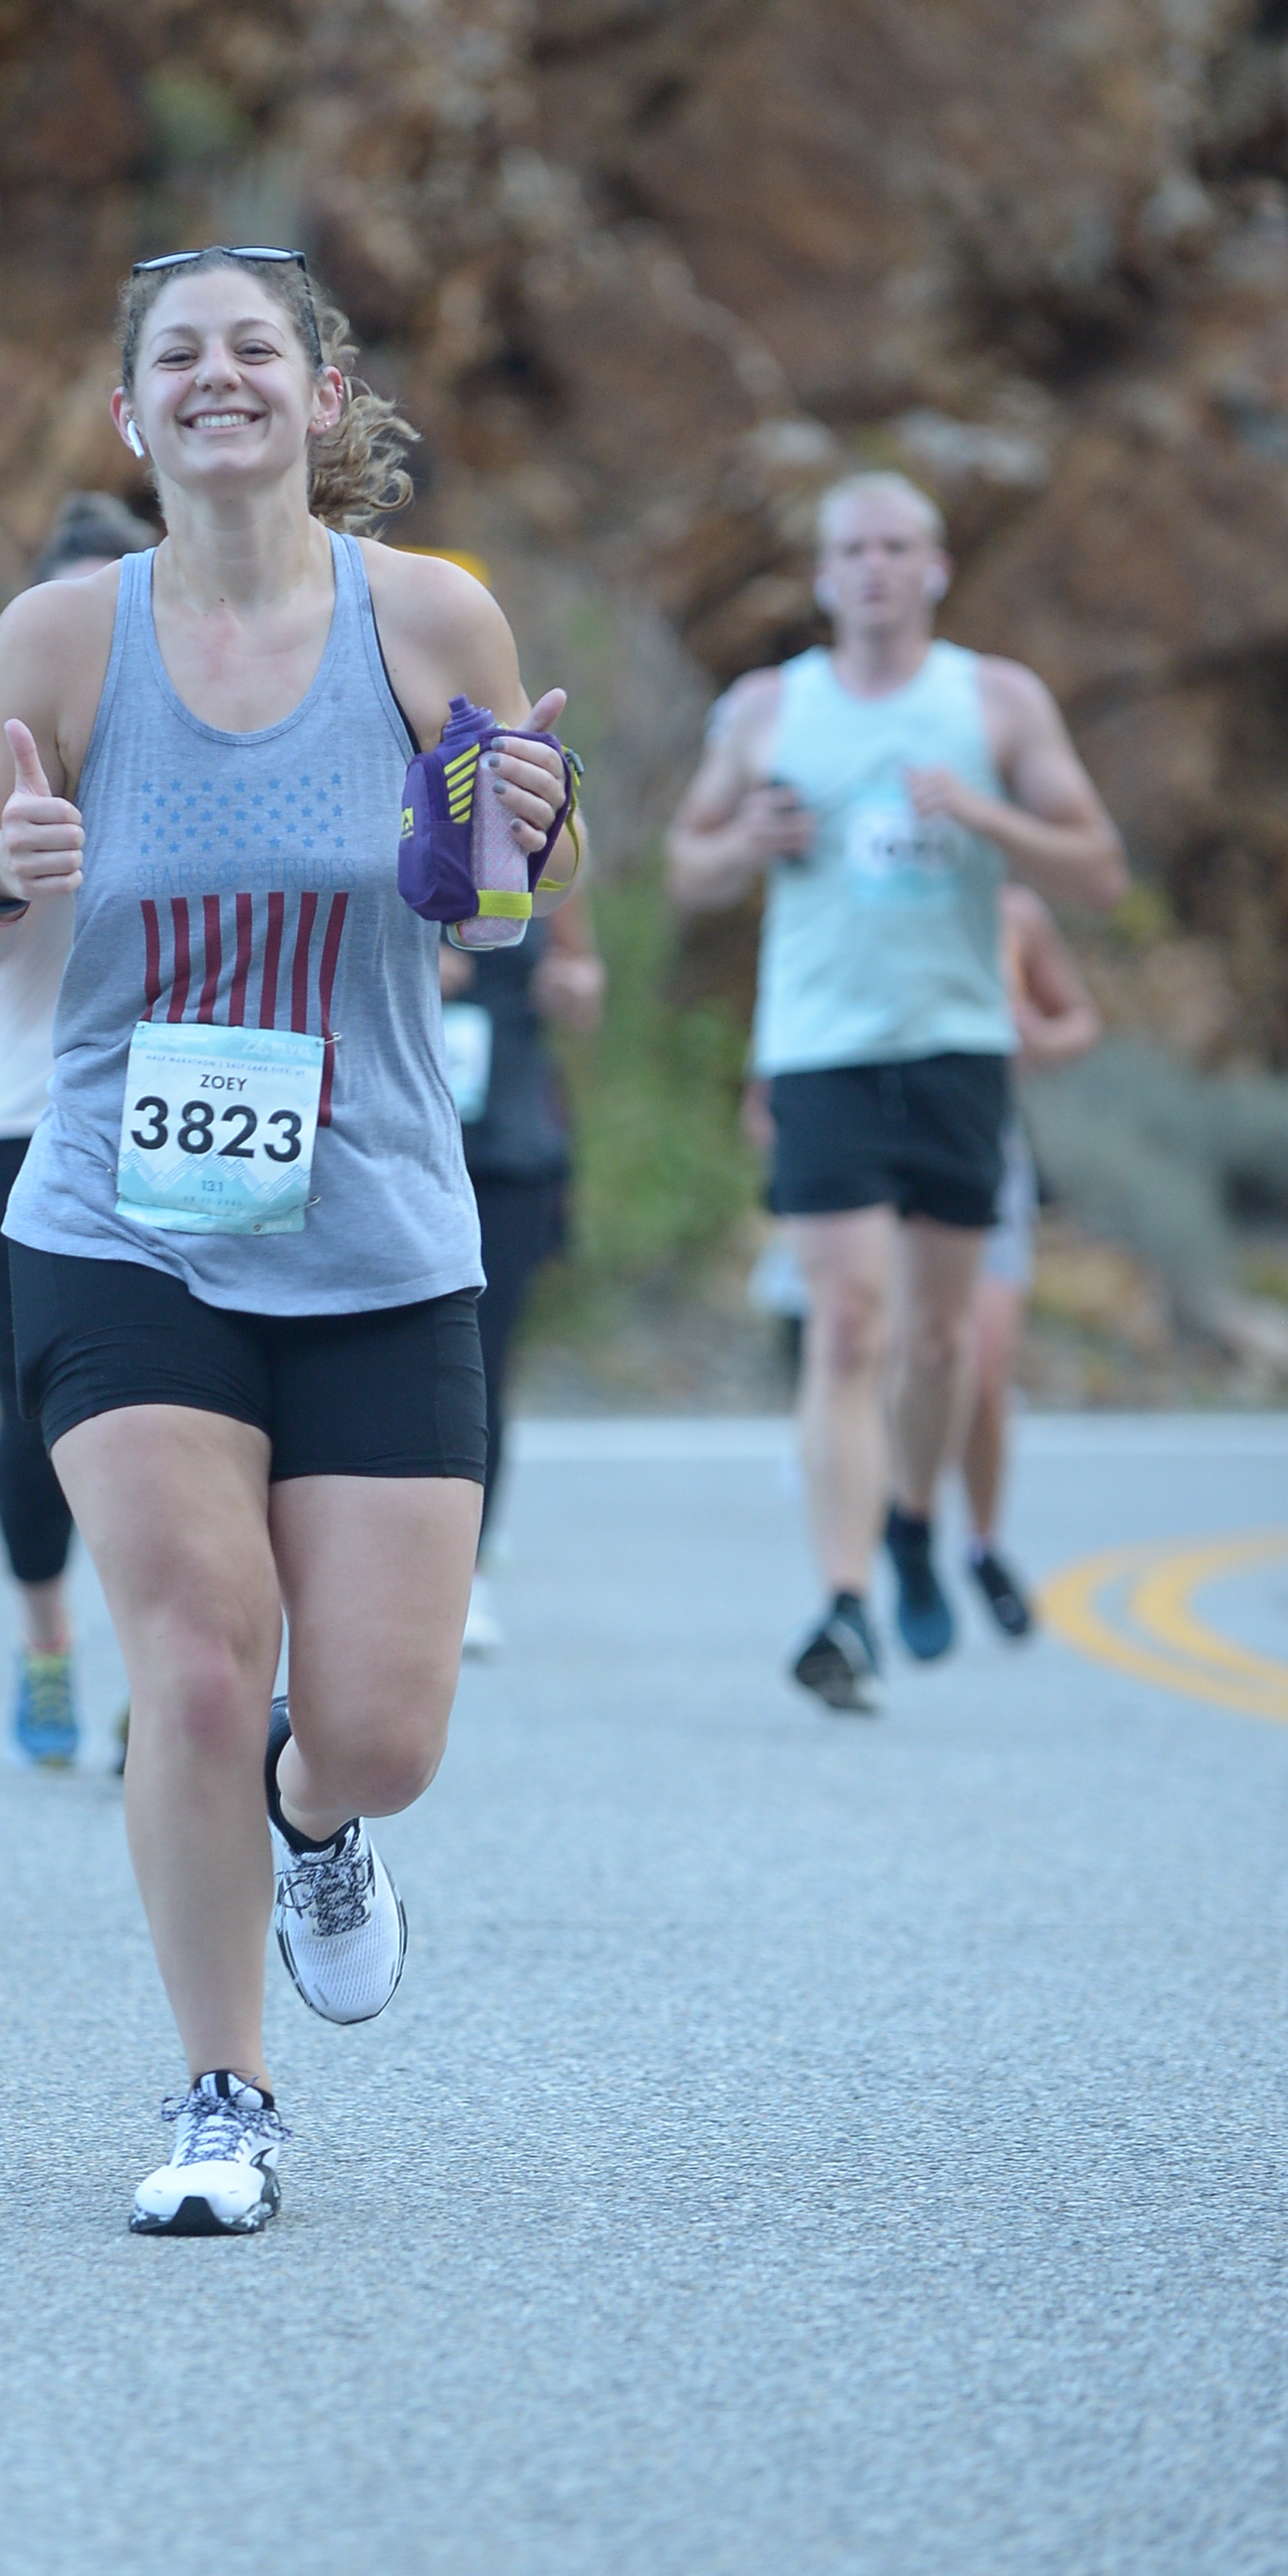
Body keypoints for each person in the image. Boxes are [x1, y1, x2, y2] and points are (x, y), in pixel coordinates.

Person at [0, 247, 581, 2235]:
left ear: (319, 392)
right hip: (123, 1221)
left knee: (379, 1729)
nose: (218, 378)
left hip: (375, 1221)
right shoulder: (60, 638)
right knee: (197, 1667)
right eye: (177, 356)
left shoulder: (425, 613)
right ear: (131, 413)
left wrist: (520, 828)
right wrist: (0, 870)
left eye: (253, 349)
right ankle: (224, 2095)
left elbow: (494, 910)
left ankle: (317, 1820)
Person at [664, 469, 1124, 1712]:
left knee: (933, 1340)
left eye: (894, 547)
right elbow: (686, 866)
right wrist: (743, 844)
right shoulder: (767, 708)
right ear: (823, 577)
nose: (872, 567)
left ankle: (915, 1520)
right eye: (851, 550)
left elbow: (1095, 870)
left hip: (957, 1049)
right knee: (847, 1325)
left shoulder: (993, 700)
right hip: (817, 1050)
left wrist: (981, 815)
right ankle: (843, 1600)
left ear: (933, 568)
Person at [0, 490, 158, 1767]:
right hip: (9, 1136)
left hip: (170, 1135)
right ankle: (45, 1641)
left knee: (177, 1421)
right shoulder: (6, 763)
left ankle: (163, 1669)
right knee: (41, 1418)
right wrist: (2, 866)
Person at [442, 889, 604, 1657]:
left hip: (505, 1145)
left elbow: (583, 976)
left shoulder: (528, 834)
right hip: (384, 1136)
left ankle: (468, 1572)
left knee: (480, 1360)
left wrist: (572, 986)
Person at [954, 884, 1102, 1635]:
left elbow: (1080, 1019)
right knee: (886, 1353)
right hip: (882, 1147)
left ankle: (982, 1544)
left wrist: (1038, 1040)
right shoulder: (856, 885)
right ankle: (895, 1526)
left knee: (983, 1372)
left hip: (987, 1147)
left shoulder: (1012, 912)